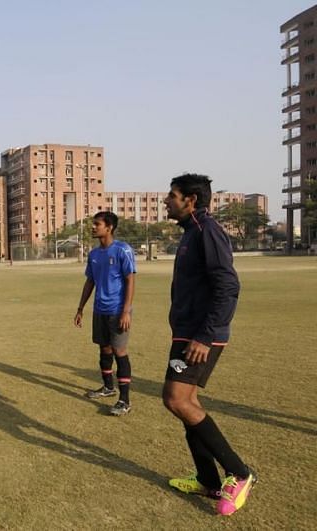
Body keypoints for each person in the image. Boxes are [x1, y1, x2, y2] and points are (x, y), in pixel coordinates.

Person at [162, 174, 256, 516]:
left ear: (190, 200)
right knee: (183, 401)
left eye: (171, 196)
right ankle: (207, 479)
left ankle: (240, 473)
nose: (165, 201)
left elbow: (228, 286)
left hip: (200, 334)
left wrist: (205, 335)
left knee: (176, 399)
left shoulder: (207, 230)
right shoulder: (191, 232)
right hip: (188, 331)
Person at [74, 211, 136, 416]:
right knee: (104, 349)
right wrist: (80, 308)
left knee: (120, 352)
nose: (93, 227)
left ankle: (124, 400)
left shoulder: (122, 250)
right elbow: (90, 282)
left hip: (118, 311)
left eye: (97, 224)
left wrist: (126, 311)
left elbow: (130, 280)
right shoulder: (94, 254)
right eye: (93, 224)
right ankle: (108, 387)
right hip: (100, 310)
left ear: (109, 227)